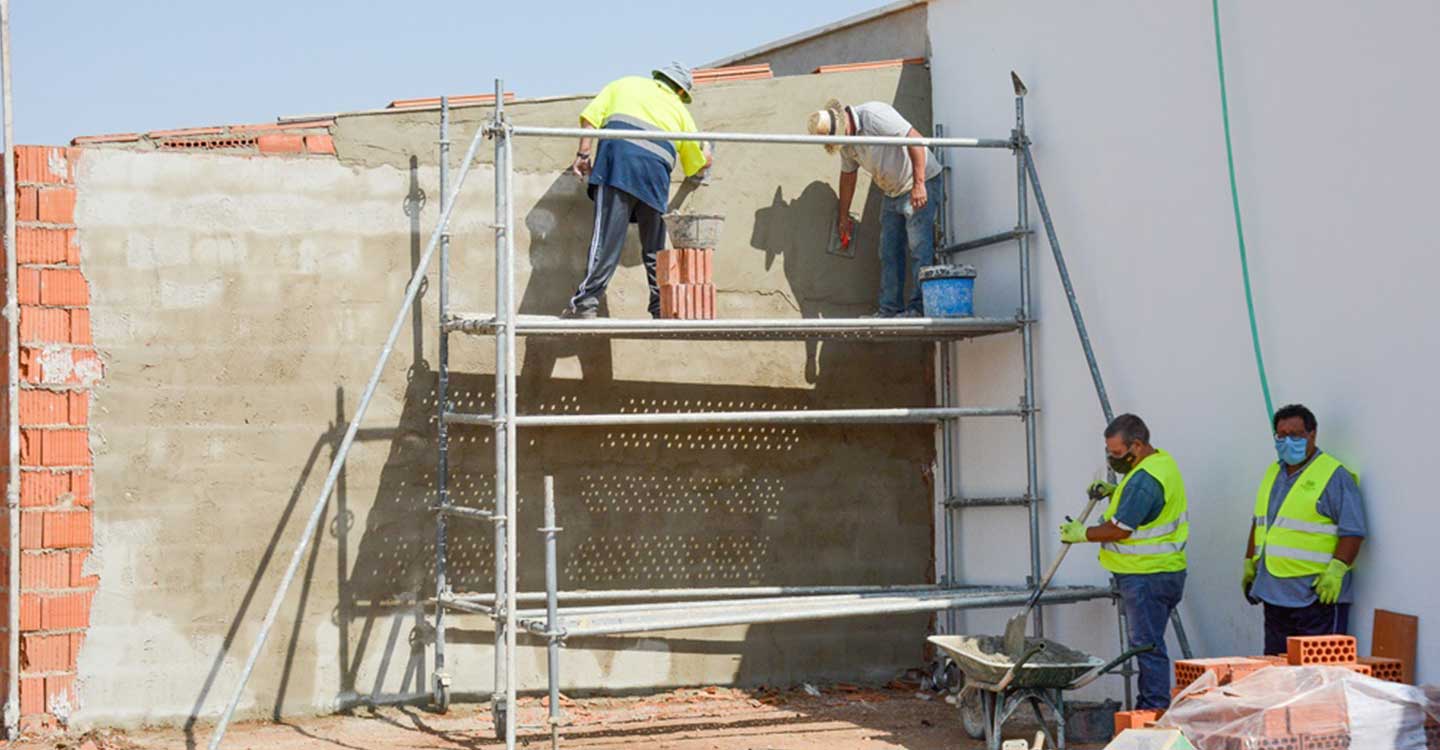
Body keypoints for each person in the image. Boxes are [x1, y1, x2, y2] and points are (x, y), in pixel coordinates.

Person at [1060, 413, 1188, 710]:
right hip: (1161, 573)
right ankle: (1150, 709)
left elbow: (1121, 529)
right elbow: (1148, 508)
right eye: (1109, 452)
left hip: (1146, 576)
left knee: (1147, 647)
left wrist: (1083, 534)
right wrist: (1117, 492)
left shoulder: (1145, 480)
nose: (1112, 459)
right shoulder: (1159, 464)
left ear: (1138, 445)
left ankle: (1152, 712)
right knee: (1148, 644)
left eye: (1117, 453)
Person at [563, 63, 711, 319]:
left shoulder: (625, 84)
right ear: (680, 92)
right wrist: (708, 154)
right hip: (655, 178)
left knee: (606, 241)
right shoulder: (680, 111)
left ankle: (586, 303)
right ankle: (661, 307)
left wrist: (583, 154)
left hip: (618, 166)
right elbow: (697, 162)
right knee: (655, 249)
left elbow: (590, 117)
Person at [1242, 404, 1366, 656]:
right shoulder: (1273, 472)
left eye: (1296, 435)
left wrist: (1337, 570)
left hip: (1315, 596)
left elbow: (1353, 530)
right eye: (1281, 436)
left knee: (1318, 675)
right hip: (1274, 593)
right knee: (1276, 672)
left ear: (1312, 434)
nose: (1288, 442)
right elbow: (1260, 521)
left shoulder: (1333, 475)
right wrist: (1250, 562)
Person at [806, 99, 944, 317]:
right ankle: (890, 310)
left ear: (844, 123)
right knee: (889, 252)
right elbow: (848, 177)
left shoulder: (874, 115)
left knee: (920, 248)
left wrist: (919, 184)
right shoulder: (846, 143)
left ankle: (919, 309)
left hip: (920, 181)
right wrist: (843, 217)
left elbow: (915, 140)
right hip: (891, 192)